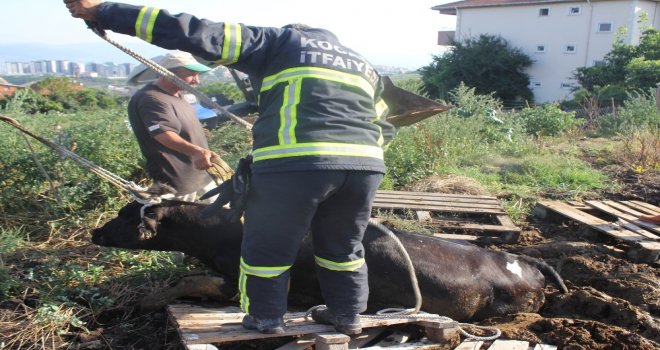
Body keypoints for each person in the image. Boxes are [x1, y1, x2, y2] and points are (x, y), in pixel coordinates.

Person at [65, 0, 396, 335]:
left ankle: (265, 318)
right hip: (363, 168)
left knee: (268, 245)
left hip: (294, 166)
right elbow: (385, 121)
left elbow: (191, 31)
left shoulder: (278, 42)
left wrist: (104, 11)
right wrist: (357, 158)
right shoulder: (362, 64)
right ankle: (347, 314)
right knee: (343, 245)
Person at [127, 50, 219, 202]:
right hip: (178, 182)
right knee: (183, 223)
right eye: (191, 74)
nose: (197, 81)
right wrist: (196, 152)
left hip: (200, 175)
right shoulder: (151, 98)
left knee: (224, 218)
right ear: (169, 73)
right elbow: (163, 134)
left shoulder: (177, 94)